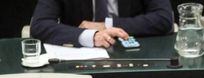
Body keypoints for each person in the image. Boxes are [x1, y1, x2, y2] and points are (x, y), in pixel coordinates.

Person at [30, 0, 174, 48]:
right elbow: (39, 25)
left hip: (132, 49)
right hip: (80, 54)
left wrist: (106, 26)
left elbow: (164, 19)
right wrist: (91, 36)